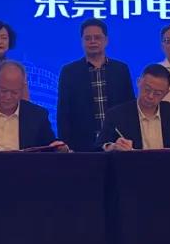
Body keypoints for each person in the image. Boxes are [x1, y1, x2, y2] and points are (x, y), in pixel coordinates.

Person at [56, 18, 135, 152]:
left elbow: (129, 107)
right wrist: (66, 145)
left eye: (97, 37)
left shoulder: (121, 69)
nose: (92, 41)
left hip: (117, 143)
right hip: (81, 145)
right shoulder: (69, 71)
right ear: (82, 41)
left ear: (106, 40)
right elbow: (63, 112)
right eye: (88, 38)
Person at [97, 64, 170, 151]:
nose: (150, 96)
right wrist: (113, 147)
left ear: (166, 93)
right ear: (138, 83)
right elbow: (99, 146)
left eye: (158, 93)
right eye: (147, 89)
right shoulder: (116, 114)